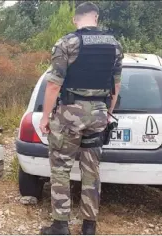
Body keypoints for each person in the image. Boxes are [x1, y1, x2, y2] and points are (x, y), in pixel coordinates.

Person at [39, 2, 123, 235]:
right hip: (97, 114)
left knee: (61, 168)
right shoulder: (114, 46)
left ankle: (60, 225)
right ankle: (89, 226)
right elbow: (116, 86)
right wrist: (107, 113)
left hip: (69, 115)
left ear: (75, 19)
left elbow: (54, 84)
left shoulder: (67, 42)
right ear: (96, 17)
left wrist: (45, 117)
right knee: (91, 171)